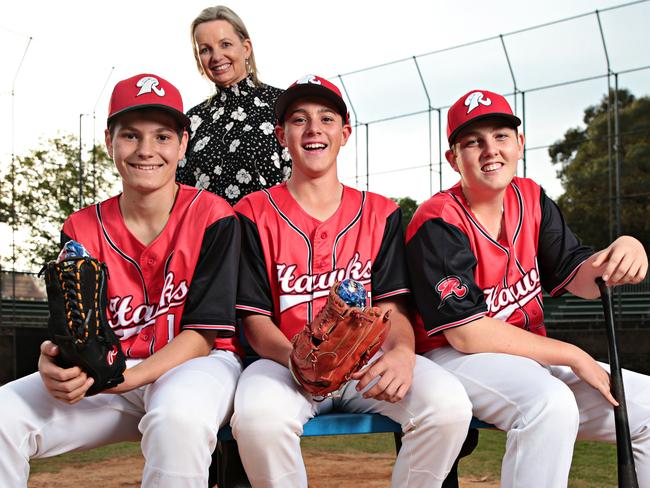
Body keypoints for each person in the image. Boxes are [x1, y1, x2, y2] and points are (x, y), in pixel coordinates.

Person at [230, 74, 473, 488]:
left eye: (326, 119)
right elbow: (254, 319)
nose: (313, 130)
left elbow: (394, 306)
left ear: (344, 133)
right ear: (281, 135)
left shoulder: (381, 213)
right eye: (299, 120)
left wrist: (400, 353)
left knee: (448, 407)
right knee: (257, 420)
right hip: (282, 365)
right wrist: (298, 360)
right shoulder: (252, 211)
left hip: (368, 364)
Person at [0, 73, 242, 487]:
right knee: (4, 413)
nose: (146, 150)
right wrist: (53, 361)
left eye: (162, 136)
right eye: (131, 136)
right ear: (110, 140)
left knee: (176, 418)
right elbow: (76, 330)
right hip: (113, 370)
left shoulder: (213, 216)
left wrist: (123, 378)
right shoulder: (81, 227)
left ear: (183, 144)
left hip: (197, 366)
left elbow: (202, 335)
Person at [405, 89, 650, 487]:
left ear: (519, 144)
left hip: (525, 356)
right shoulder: (439, 220)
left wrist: (625, 248)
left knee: (647, 407)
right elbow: (466, 333)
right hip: (447, 359)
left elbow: (582, 277)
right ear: (453, 159)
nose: (490, 150)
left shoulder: (531, 198)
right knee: (549, 405)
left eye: (501, 136)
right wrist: (571, 353)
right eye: (473, 142)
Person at [176, 5, 291, 204]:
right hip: (208, 234)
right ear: (198, 59)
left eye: (225, 44)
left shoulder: (282, 105)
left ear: (246, 48)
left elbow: (300, 184)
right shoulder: (193, 120)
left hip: (269, 233)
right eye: (205, 49)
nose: (216, 56)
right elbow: (180, 195)